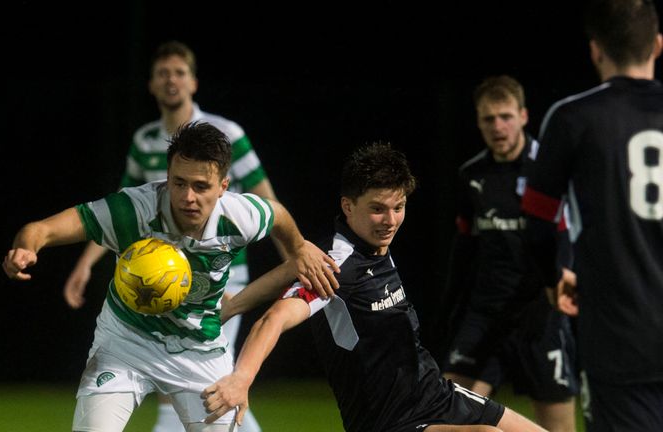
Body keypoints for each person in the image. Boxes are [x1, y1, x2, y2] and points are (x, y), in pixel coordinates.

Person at [3, 122, 339, 432]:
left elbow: (277, 214)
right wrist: (26, 248)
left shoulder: (240, 216)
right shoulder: (133, 210)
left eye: (200, 186)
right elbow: (42, 229)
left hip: (200, 351)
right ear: (167, 175)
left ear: (223, 186)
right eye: (178, 182)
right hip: (125, 343)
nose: (187, 196)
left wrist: (298, 247)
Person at [201, 142, 547, 432]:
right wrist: (242, 377)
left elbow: (294, 265)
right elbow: (275, 318)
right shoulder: (337, 265)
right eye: (378, 209)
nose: (391, 220)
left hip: (438, 395)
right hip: (391, 423)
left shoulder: (368, 246)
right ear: (347, 206)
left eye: (399, 207)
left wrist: (234, 305)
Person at [62, 40, 279, 432]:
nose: (171, 80)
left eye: (179, 72)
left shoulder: (227, 133)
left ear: (194, 82)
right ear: (151, 84)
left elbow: (268, 203)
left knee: (207, 384)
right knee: (214, 388)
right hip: (154, 271)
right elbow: (120, 215)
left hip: (216, 276)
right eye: (163, 73)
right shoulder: (145, 141)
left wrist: (292, 258)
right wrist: (84, 265)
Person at [521, 0, 663, 430]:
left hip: (621, 335)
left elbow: (537, 223)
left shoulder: (573, 118)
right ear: (657, 45)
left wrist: (553, 279)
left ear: (595, 50)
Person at [441, 76, 578, 432]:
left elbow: (568, 238)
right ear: (478, 121)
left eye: (505, 116)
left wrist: (560, 287)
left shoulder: (549, 170)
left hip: (540, 317)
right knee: (446, 415)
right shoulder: (472, 175)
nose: (498, 127)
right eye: (488, 119)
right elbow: (464, 247)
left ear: (523, 116)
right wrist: (450, 310)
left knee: (558, 430)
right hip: (485, 315)